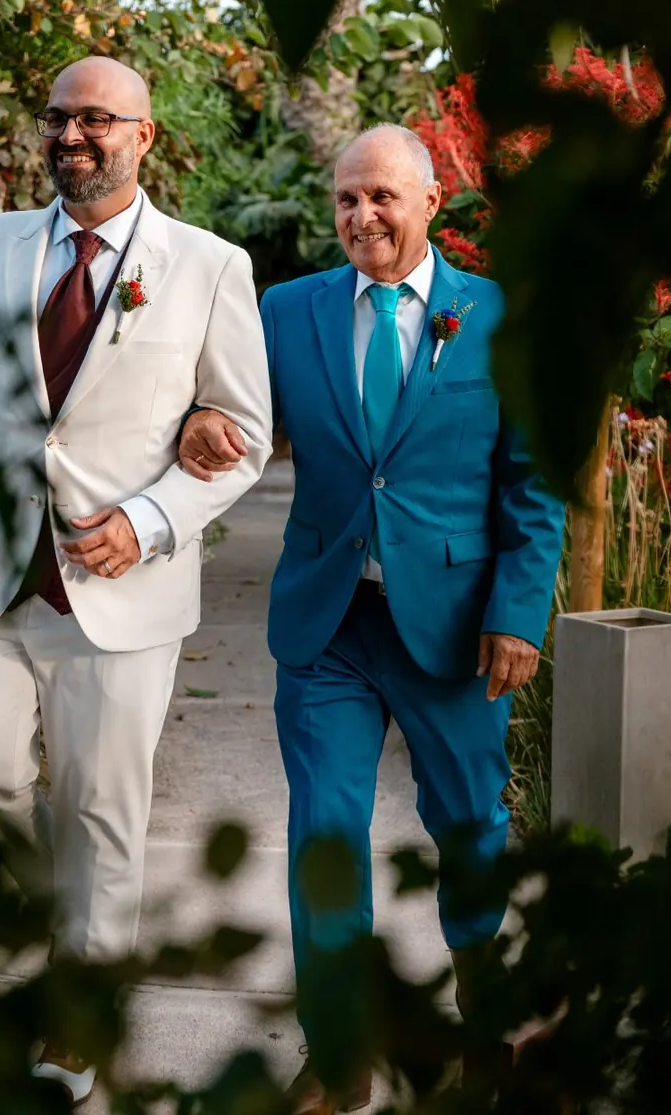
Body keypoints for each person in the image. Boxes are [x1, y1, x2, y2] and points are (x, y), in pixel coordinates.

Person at [177, 125, 566, 1113]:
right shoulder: (287, 309)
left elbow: (533, 482)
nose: (363, 217)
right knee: (326, 836)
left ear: (433, 201)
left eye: (384, 197)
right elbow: (229, 404)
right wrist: (196, 420)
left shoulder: (497, 315)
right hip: (329, 625)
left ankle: (488, 1036)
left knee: (471, 831)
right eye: (347, 199)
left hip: (456, 627)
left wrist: (519, 610)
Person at [0, 56, 272, 1103]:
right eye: (57, 118)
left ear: (144, 136)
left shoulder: (207, 265)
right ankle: (57, 913)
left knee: (107, 810)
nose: (71, 137)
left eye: (97, 121)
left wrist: (152, 521)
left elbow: (243, 438)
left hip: (123, 591)